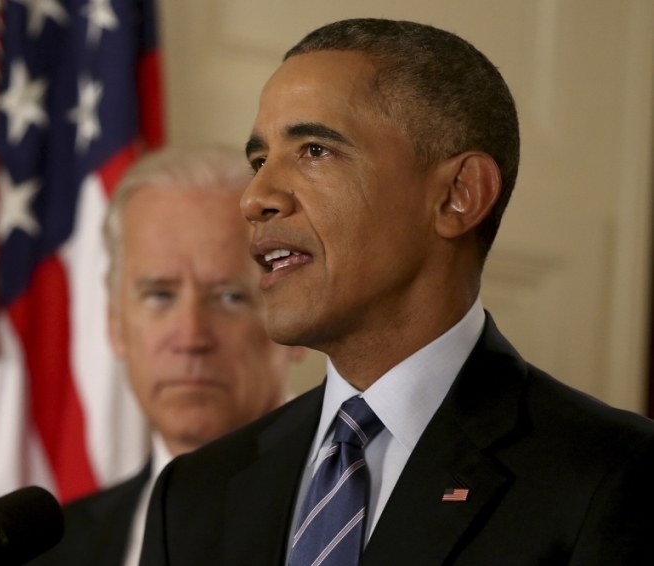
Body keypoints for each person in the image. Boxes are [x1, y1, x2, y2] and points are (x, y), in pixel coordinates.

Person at [140, 19, 654, 566]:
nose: (254, 197)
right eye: (259, 160)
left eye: (314, 150)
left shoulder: (617, 475)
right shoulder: (194, 494)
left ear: (458, 195)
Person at [28, 147, 305, 566]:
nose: (191, 337)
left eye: (230, 297)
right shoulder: (52, 551)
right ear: (115, 321)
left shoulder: (353, 517)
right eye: (159, 295)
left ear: (298, 319)